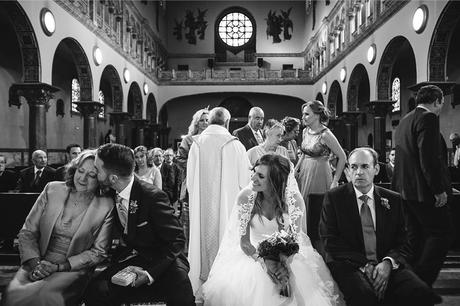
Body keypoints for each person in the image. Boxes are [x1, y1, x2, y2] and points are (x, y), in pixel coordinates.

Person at [203, 154, 343, 306]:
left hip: (287, 256)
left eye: (261, 176)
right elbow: (244, 243)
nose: (253, 179)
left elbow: (296, 241)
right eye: (254, 172)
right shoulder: (246, 197)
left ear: (276, 180)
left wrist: (283, 265)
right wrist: (265, 262)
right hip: (252, 254)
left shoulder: (294, 200)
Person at [320, 147, 437, 306]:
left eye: (365, 166)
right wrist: (365, 264)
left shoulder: (393, 199)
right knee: (365, 295)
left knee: (420, 291)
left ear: (376, 169)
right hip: (349, 265)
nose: (359, 172)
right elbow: (329, 240)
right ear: (348, 171)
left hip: (386, 263)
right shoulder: (334, 198)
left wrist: (388, 263)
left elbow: (405, 241)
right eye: (353, 167)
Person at [84, 143, 195, 306]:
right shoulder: (108, 190)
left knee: (181, 295)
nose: (94, 172)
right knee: (96, 289)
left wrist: (150, 274)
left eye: (97, 169)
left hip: (164, 258)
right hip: (133, 255)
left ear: (113, 177)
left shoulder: (153, 197)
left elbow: (177, 241)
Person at [2, 150, 114, 306]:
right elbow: (28, 231)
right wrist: (36, 265)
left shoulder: (106, 205)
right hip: (37, 261)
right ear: (74, 170)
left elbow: (99, 252)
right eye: (80, 171)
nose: (82, 178)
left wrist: (59, 267)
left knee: (47, 298)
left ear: (102, 179)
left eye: (92, 175)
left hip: (72, 269)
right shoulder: (52, 189)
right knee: (13, 295)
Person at [393, 84, 454, 288]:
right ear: (436, 101)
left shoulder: (405, 119)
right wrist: (439, 190)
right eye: (442, 103)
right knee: (441, 233)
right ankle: (422, 282)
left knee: (415, 237)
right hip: (423, 191)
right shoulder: (428, 118)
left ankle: (409, 281)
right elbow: (428, 159)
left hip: (404, 190)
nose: (441, 108)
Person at [187, 107, 251, 297]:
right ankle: (225, 290)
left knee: (201, 244)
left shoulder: (196, 144)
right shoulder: (236, 145)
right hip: (229, 209)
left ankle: (200, 287)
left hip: (201, 211)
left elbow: (190, 183)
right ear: (228, 122)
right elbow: (246, 184)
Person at [295, 100, 346, 213]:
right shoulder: (305, 131)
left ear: (317, 115)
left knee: (316, 207)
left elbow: (342, 157)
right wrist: (296, 169)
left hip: (320, 173)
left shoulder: (325, 134)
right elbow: (304, 153)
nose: (303, 117)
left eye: (307, 114)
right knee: (302, 206)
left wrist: (335, 181)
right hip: (304, 172)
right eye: (303, 114)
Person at [175, 107, 209, 250]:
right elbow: (179, 159)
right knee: (188, 223)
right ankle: (188, 252)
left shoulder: (212, 138)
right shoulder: (189, 139)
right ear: (196, 123)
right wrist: (195, 164)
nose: (205, 123)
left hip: (208, 184)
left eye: (207, 120)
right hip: (191, 184)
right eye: (201, 120)